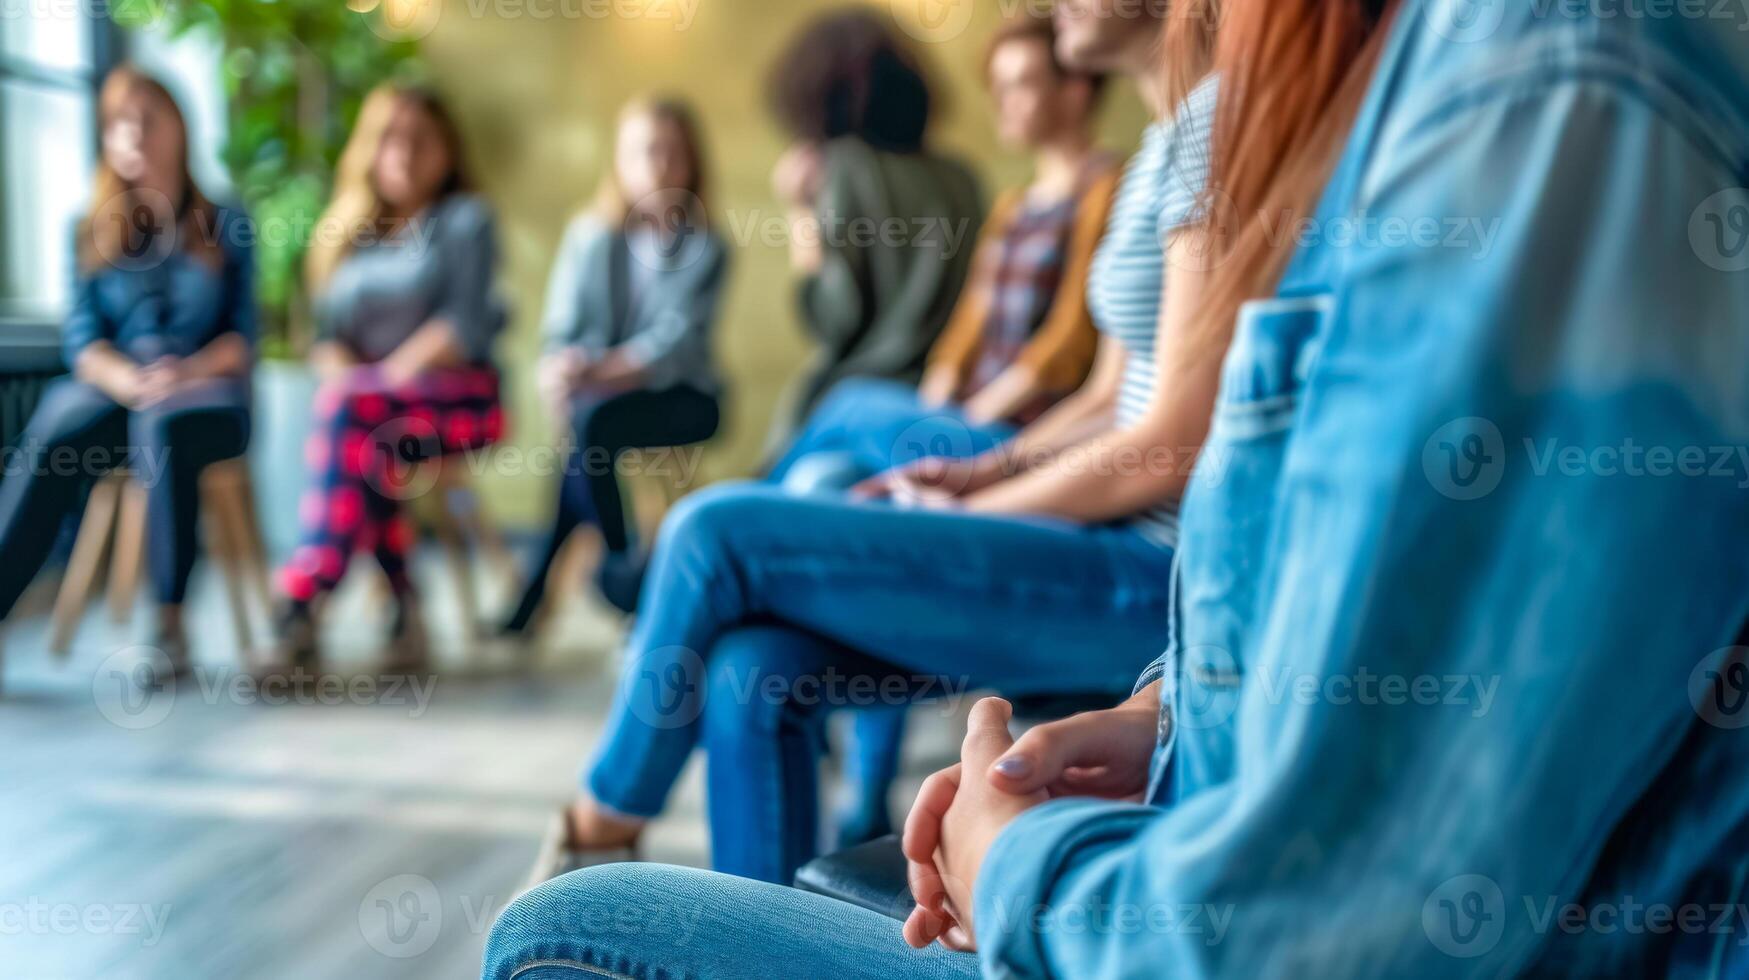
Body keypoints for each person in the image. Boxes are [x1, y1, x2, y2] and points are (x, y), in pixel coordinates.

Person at [488, 0, 1749, 976]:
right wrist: (1165, 716)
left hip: (1129, 581)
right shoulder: (1385, 103)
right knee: (763, 642)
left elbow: (1169, 443)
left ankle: (604, 806)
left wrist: (1010, 850)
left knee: (709, 562)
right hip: (1168, 671)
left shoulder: (1513, 103)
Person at [522, 0, 1217, 888]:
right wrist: (976, 472)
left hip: (1150, 572)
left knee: (714, 530)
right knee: (750, 666)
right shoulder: (1165, 141)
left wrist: (976, 507)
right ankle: (760, 950)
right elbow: (1106, 393)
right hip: (1084, 530)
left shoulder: (1215, 128)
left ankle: (598, 823)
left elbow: (1171, 443)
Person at [767, 12, 1120, 850]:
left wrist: (968, 424)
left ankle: (728, 528)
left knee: (844, 406)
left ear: (1076, 89)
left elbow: (1063, 347)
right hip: (953, 418)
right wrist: (936, 405)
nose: (1001, 99)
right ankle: (860, 798)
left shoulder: (1106, 186)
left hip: (1010, 435)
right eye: (994, 85)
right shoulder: (988, 193)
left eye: (1020, 82)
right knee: (828, 489)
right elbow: (962, 334)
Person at [0, 66, 254, 678]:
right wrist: (129, 381)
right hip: (118, 392)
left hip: (206, 398)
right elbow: (83, 343)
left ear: (180, 128)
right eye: (119, 122)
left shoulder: (226, 225)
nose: (134, 133)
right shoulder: (90, 231)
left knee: (164, 427)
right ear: (105, 137)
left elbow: (242, 341)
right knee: (59, 425)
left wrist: (183, 373)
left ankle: (170, 626)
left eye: (148, 117)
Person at [267, 83, 505, 672]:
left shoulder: (465, 221)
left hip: (461, 399)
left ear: (448, 150)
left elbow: (464, 326)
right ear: (368, 149)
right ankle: (404, 609)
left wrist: (383, 378)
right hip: (372, 413)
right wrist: (355, 378)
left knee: (356, 414)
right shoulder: (347, 234)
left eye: (421, 139)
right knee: (364, 431)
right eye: (390, 138)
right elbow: (326, 340)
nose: (404, 152)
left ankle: (307, 594)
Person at [498, 98, 729, 633]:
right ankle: (624, 577)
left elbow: (673, 347)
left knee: (588, 429)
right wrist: (559, 371)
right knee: (586, 429)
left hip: (684, 398)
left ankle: (601, 574)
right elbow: (561, 326)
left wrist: (591, 373)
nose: (660, 165)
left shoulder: (708, 244)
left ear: (693, 162)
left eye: (673, 152)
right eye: (646, 151)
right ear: (619, 161)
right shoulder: (589, 235)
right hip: (597, 397)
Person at [761, 9, 985, 460]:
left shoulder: (846, 168)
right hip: (945, 410)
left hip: (856, 412)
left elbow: (831, 317)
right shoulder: (963, 178)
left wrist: (800, 211)